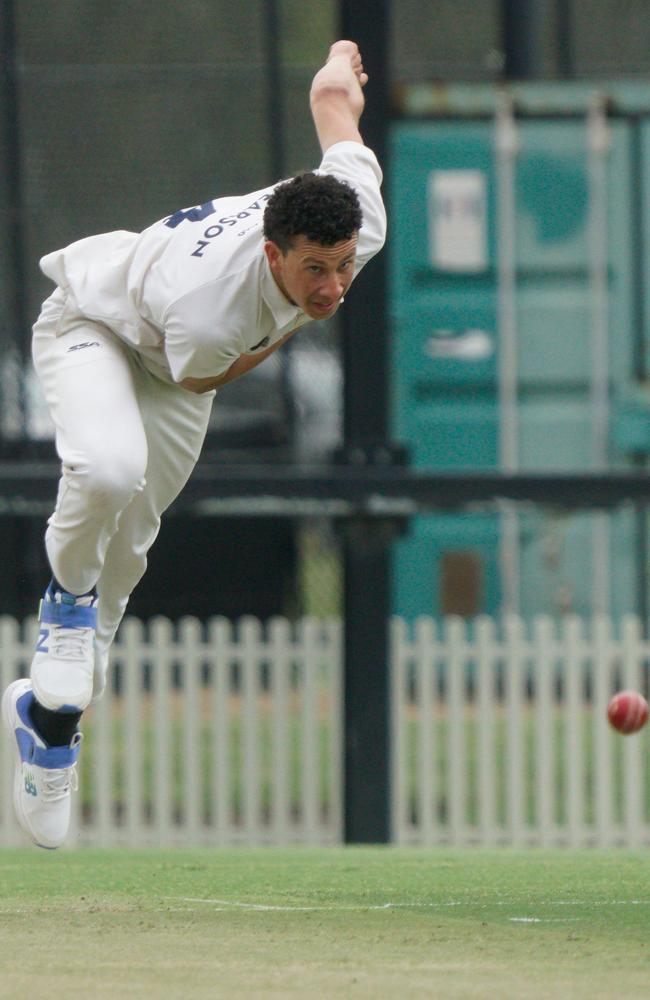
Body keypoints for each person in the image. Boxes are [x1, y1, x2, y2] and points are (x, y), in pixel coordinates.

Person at [1, 39, 386, 849]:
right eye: (315, 270)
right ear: (275, 254)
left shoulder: (356, 213)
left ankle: (49, 724)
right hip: (99, 328)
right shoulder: (214, 310)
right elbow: (206, 376)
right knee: (108, 470)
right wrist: (292, 328)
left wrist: (337, 69)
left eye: (344, 268)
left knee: (132, 546)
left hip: (174, 372)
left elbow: (333, 112)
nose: (333, 288)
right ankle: (62, 607)